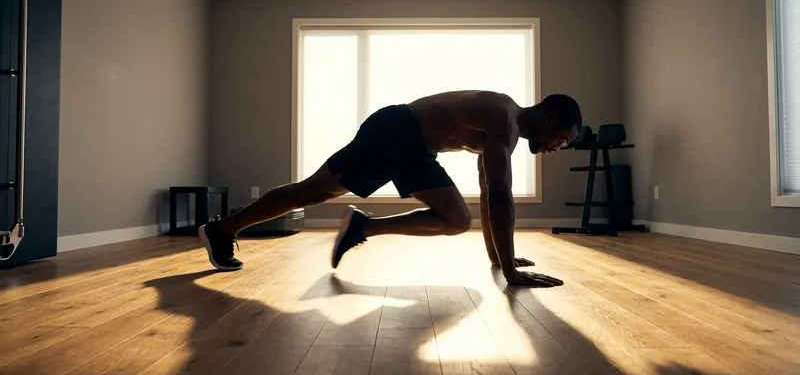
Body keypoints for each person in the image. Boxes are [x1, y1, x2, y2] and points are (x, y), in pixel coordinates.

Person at [199, 90, 582, 287]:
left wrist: (500, 260)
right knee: (313, 192)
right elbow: (500, 197)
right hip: (400, 131)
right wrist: (512, 272)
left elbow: (488, 193)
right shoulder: (503, 118)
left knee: (454, 219)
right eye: (562, 139)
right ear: (550, 118)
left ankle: (359, 227)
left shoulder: (500, 128)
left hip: (410, 143)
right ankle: (223, 229)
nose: (557, 148)